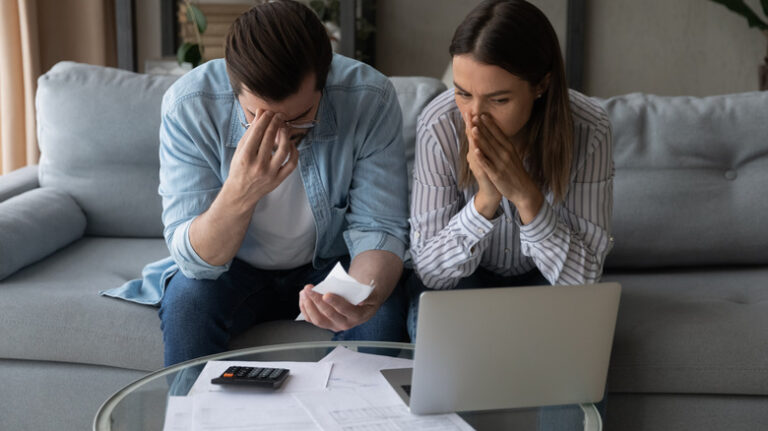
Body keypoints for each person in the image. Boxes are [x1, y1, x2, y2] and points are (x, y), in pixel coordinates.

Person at [104, 0, 410, 367]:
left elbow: (380, 228)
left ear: (325, 84)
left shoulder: (369, 98)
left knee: (382, 317)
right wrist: (240, 191)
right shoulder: (190, 105)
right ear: (235, 89)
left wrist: (364, 297)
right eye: (257, 116)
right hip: (233, 268)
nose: (280, 132)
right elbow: (194, 261)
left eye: (300, 118)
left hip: (332, 262)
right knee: (188, 305)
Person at [407, 1, 613, 427]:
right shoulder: (440, 125)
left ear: (541, 86)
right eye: (463, 93)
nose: (474, 116)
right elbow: (430, 271)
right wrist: (484, 202)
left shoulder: (589, 129)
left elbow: (583, 282)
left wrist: (526, 199)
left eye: (498, 98)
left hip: (550, 281)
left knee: (577, 357)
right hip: (468, 278)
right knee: (443, 348)